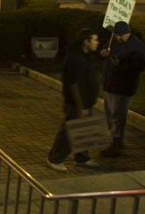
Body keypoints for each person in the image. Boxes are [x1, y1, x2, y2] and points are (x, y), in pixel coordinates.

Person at [47, 29, 101, 172]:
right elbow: (76, 84)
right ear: (86, 42)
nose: (97, 43)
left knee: (83, 130)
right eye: (95, 40)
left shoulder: (83, 56)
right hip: (76, 103)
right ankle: (55, 158)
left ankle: (82, 157)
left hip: (84, 103)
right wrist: (82, 107)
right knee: (69, 132)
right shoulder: (75, 59)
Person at [99, 21, 145, 157]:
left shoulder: (136, 47)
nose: (118, 38)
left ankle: (115, 145)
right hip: (109, 85)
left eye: (121, 35)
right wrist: (102, 53)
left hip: (122, 87)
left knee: (117, 118)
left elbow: (138, 67)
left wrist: (121, 64)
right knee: (110, 116)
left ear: (128, 33)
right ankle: (118, 140)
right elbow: (104, 52)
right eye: (116, 35)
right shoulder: (113, 40)